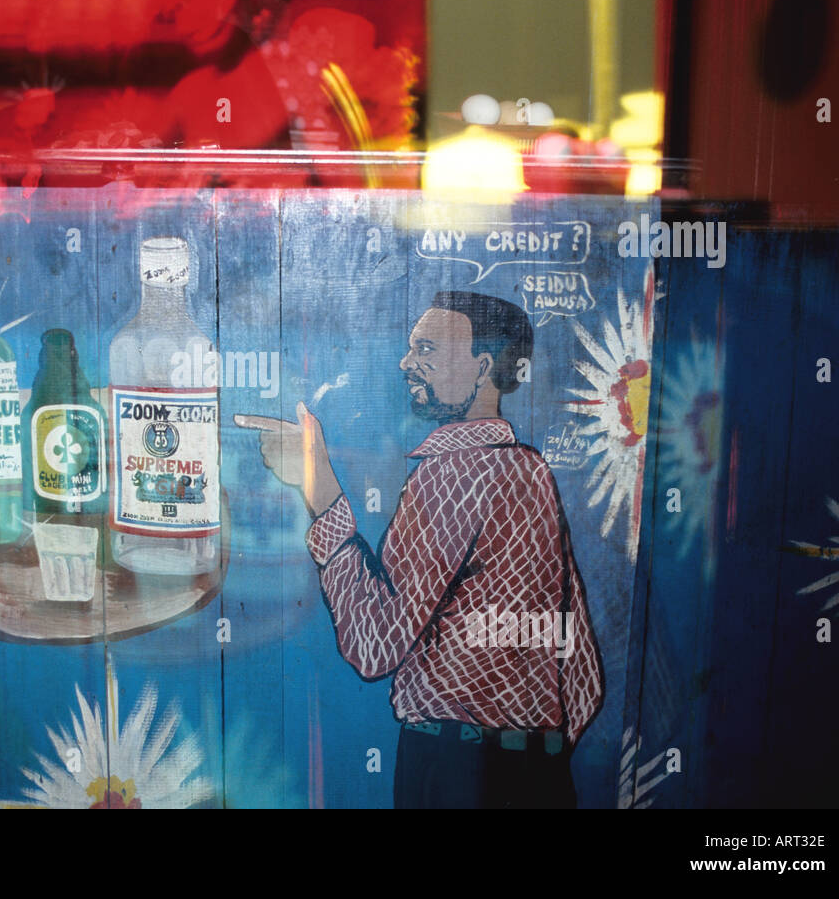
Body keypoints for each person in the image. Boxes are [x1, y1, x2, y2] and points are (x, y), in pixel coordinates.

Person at [236, 290, 603, 808]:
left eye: (427, 350)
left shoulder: (450, 475)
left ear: (481, 368)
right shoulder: (531, 470)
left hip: (453, 771)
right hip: (539, 774)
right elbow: (581, 674)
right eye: (412, 348)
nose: (407, 362)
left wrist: (317, 486)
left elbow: (374, 644)